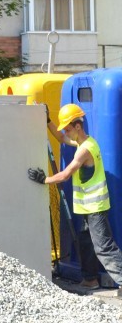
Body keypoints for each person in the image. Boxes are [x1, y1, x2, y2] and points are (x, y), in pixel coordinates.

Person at [28, 103, 122, 289]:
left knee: (104, 247)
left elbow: (66, 174)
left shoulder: (85, 149)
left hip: (95, 207)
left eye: (69, 128)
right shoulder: (82, 142)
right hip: (88, 207)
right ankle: (90, 279)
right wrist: (48, 122)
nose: (67, 132)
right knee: (86, 243)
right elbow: (61, 138)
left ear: (77, 126)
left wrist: (44, 179)